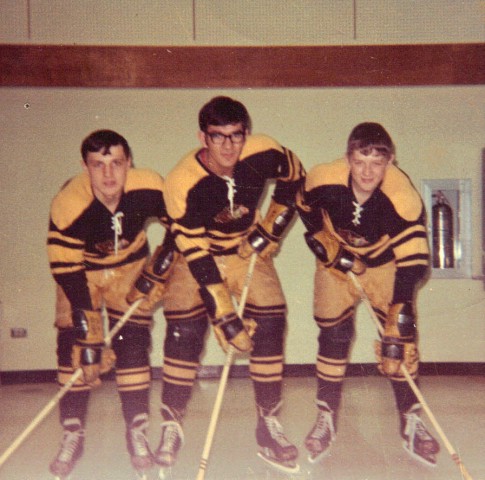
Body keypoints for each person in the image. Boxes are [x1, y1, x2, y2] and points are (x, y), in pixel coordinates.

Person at [153, 96, 305, 474]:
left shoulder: (265, 152)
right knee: (185, 331)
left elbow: (296, 176)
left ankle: (268, 423)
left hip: (243, 249)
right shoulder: (181, 182)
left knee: (271, 320)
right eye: (218, 137)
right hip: (198, 255)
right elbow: (194, 251)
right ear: (202, 137)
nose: (228, 147)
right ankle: (172, 424)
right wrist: (223, 312)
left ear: (246, 134)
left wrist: (273, 227)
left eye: (236, 136)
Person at [297, 122, 440, 467]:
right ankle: (325, 415)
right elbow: (302, 203)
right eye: (360, 161)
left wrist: (398, 315)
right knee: (333, 334)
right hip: (338, 264)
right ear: (348, 158)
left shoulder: (402, 197)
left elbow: (415, 262)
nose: (367, 171)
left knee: (400, 342)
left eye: (377, 163)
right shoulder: (324, 178)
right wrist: (323, 239)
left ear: (390, 162)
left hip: (384, 264)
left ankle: (411, 418)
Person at [47, 129, 176, 479]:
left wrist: (162, 264)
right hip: (81, 273)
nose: (108, 175)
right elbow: (65, 269)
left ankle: (136, 429)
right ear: (84, 166)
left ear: (129, 163)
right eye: (98, 164)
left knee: (133, 343)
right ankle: (73, 432)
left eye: (116, 163)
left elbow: (181, 224)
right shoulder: (69, 203)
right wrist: (88, 330)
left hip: (129, 266)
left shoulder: (148, 186)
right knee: (75, 347)